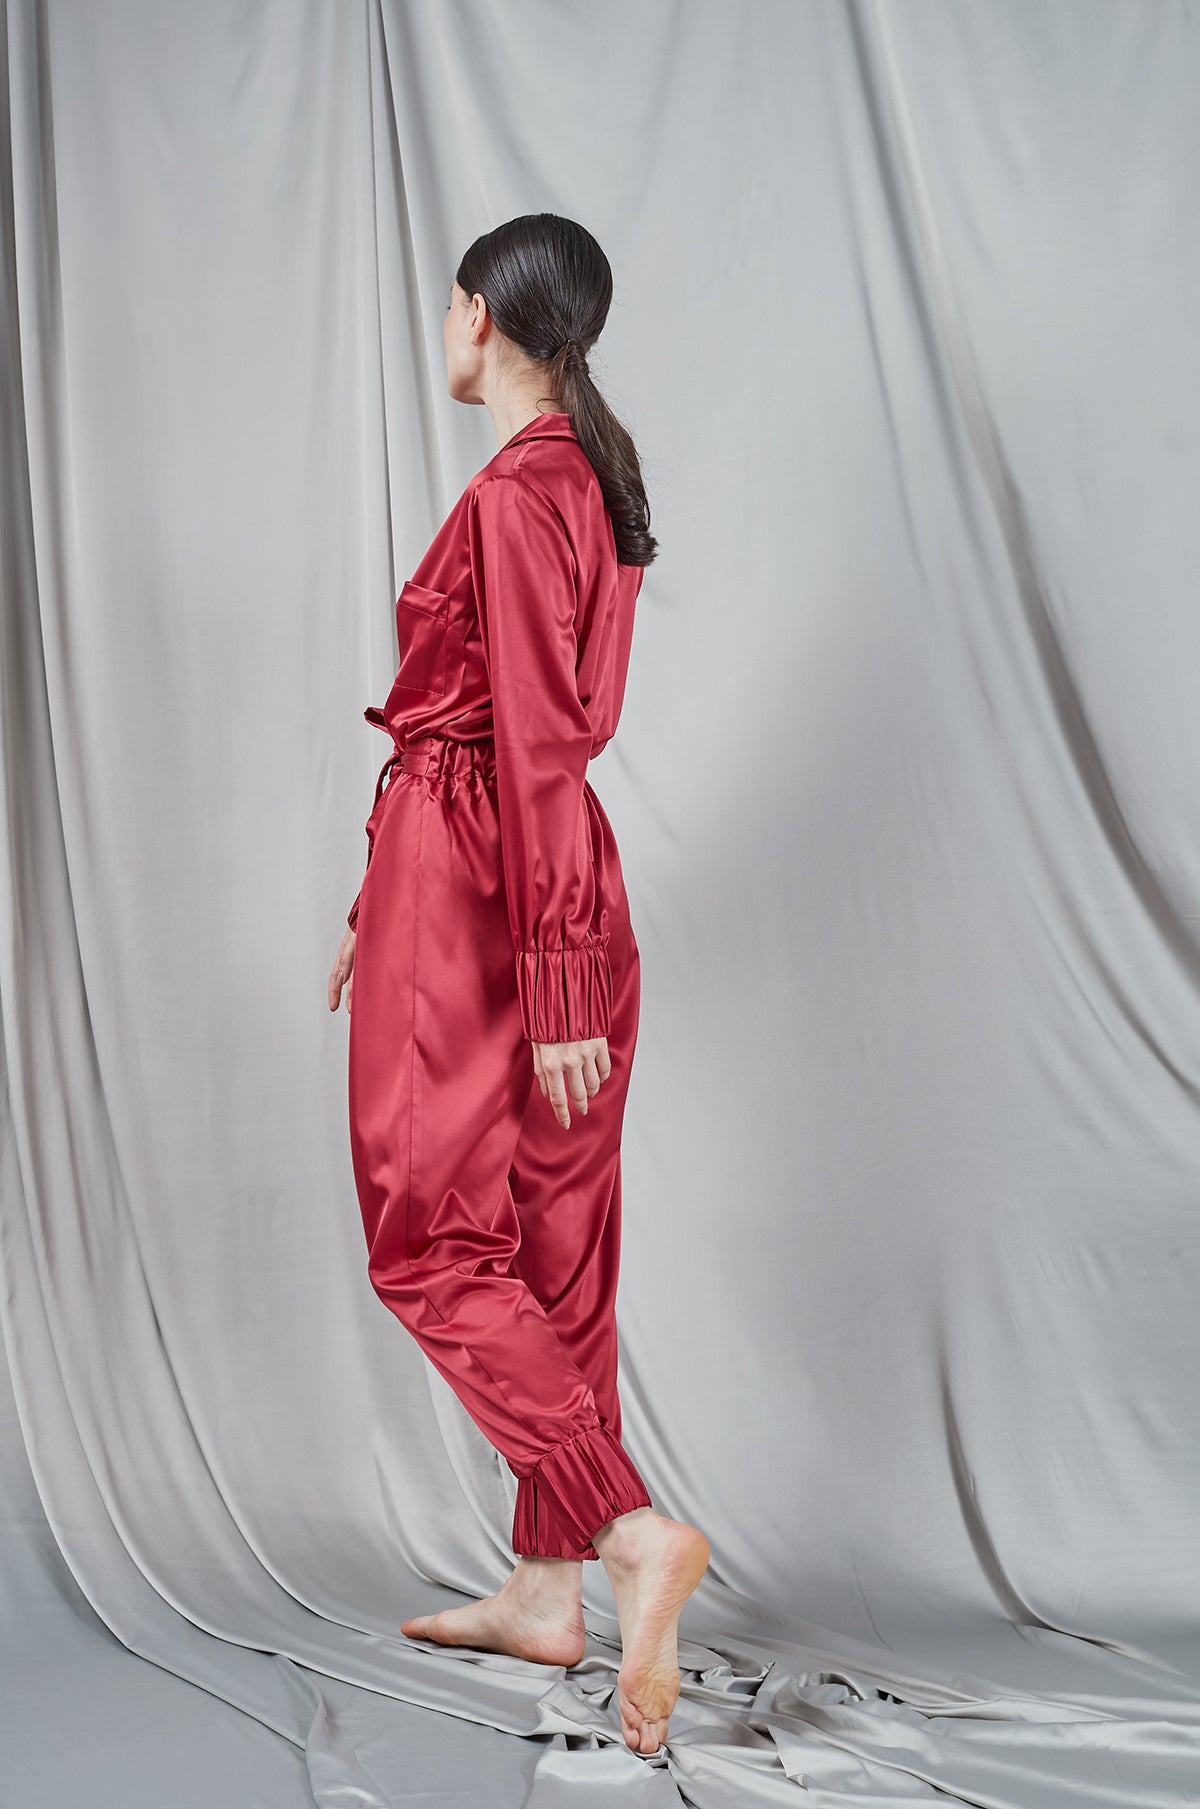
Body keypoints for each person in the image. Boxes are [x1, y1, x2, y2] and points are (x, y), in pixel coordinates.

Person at [327, 213, 708, 1757]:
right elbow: (533, 736)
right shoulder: (588, 481)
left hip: (490, 879)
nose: (442, 324)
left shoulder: (514, 492)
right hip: (548, 873)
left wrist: (539, 972)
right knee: (556, 1246)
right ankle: (549, 1590)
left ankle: (621, 1529)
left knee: (427, 1229)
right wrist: (385, 899)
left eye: (448, 304)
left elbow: (525, 740)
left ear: (480, 316)